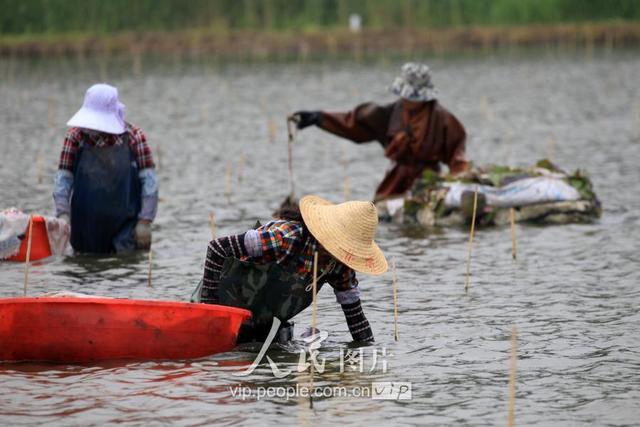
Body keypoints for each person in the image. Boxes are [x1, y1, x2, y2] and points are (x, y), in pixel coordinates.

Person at [196, 195, 388, 343]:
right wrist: (209, 313)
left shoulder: (338, 267)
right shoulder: (284, 239)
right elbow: (217, 248)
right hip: (218, 310)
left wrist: (368, 353)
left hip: (265, 326)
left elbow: (356, 319)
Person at [293, 62, 469, 200]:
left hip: (428, 182)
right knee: (382, 210)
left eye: (414, 97)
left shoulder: (443, 119)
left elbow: (457, 157)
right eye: (406, 96)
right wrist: (318, 118)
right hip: (395, 180)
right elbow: (353, 124)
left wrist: (458, 183)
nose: (409, 101)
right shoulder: (391, 113)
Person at [52, 83, 158, 253]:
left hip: (126, 227)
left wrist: (145, 221)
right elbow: (63, 179)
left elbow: (149, 181)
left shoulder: (134, 137)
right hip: (84, 227)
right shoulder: (75, 138)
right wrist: (63, 215)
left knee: (124, 270)